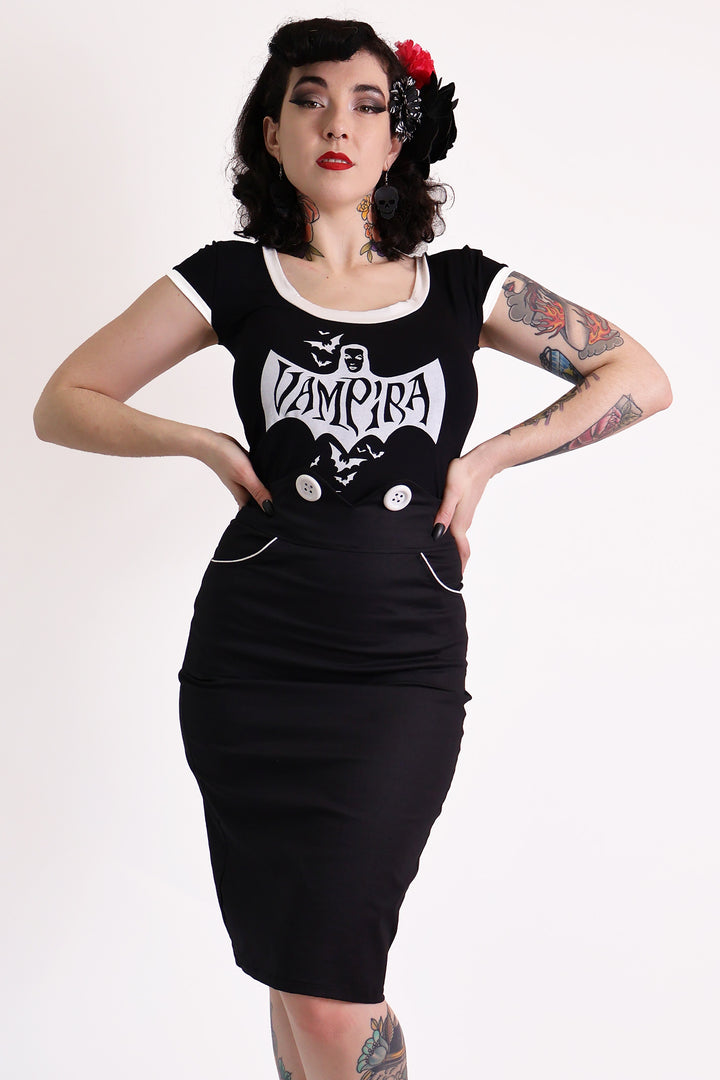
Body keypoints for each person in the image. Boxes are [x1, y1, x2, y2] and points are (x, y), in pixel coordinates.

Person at [33, 16, 672, 1080]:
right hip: (252, 659)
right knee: (299, 978)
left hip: (398, 668)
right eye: (310, 100)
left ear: (396, 138)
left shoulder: (465, 288)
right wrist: (200, 442)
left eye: (367, 104)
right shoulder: (231, 279)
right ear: (272, 132)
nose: (338, 124)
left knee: (335, 988)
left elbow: (638, 377)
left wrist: (486, 461)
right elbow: (64, 401)